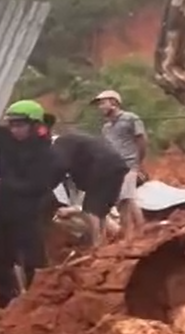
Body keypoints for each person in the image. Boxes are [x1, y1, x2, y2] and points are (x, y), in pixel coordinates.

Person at [0, 100, 59, 309]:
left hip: (29, 209)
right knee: (0, 257)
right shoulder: (5, 138)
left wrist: (4, 184)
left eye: (21, 125)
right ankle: (5, 302)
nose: (15, 130)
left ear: (35, 126)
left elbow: (39, 185)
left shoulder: (45, 153)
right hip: (3, 207)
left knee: (33, 257)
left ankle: (39, 302)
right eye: (13, 125)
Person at [49, 130, 131, 246]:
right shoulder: (75, 140)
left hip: (102, 167)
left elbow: (61, 166)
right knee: (101, 209)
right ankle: (105, 242)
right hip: (117, 165)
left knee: (91, 209)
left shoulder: (59, 144)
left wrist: (49, 183)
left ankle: (97, 244)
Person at [96, 90, 148, 239]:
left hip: (129, 163)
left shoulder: (130, 118)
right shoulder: (106, 128)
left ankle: (138, 231)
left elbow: (142, 140)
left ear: (114, 102)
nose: (100, 107)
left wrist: (139, 162)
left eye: (103, 103)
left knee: (127, 198)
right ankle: (131, 234)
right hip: (114, 168)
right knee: (123, 201)